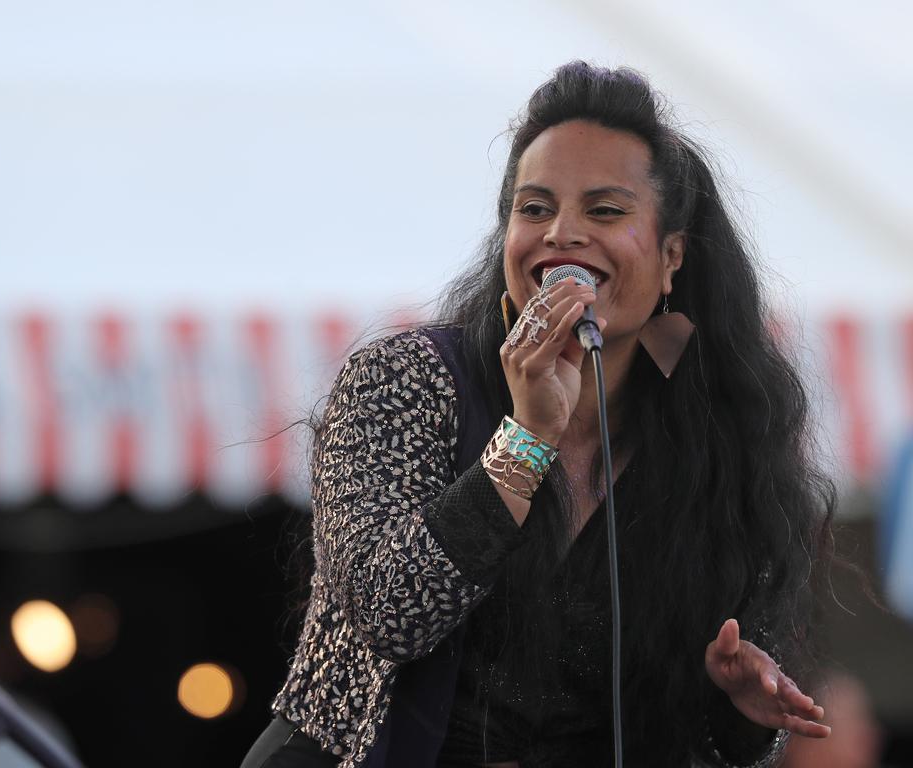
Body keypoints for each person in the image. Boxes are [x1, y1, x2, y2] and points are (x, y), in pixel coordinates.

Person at [241, 61, 835, 768]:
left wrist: (739, 715)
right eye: (534, 208)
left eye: (605, 212)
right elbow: (386, 613)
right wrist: (526, 439)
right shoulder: (405, 381)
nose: (562, 233)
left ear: (672, 257)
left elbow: (706, 735)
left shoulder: (715, 439)